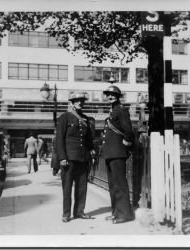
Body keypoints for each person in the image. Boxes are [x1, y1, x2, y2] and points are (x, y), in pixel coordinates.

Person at [56, 92, 96, 223]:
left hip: (83, 158)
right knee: (67, 188)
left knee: (81, 187)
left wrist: (91, 150)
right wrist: (62, 157)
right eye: (77, 101)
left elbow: (88, 139)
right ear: (71, 103)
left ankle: (79, 212)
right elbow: (59, 139)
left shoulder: (85, 119)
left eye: (82, 101)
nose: (80, 103)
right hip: (68, 159)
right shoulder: (64, 118)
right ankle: (66, 213)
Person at [101, 85, 135, 224]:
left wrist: (126, 143)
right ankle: (116, 212)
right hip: (110, 153)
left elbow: (128, 130)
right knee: (113, 185)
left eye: (113, 95)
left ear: (118, 97)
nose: (110, 96)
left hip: (118, 152)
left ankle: (125, 214)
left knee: (120, 184)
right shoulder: (112, 111)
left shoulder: (121, 110)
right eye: (108, 94)